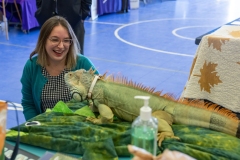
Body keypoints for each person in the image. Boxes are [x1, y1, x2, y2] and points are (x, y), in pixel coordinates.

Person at [21, 16, 99, 121]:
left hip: (79, 127)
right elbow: (28, 104)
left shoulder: (83, 64)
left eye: (66, 40)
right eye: (55, 40)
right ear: (43, 40)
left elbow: (100, 97)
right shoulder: (32, 66)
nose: (61, 46)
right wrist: (36, 126)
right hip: (44, 128)